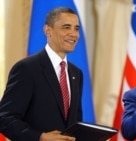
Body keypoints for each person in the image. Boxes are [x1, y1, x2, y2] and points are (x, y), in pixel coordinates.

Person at [0, 7, 83, 141]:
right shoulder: (26, 69)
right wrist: (40, 137)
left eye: (76, 28)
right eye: (66, 27)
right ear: (48, 31)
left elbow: (75, 123)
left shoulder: (76, 74)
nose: (73, 34)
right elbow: (5, 118)